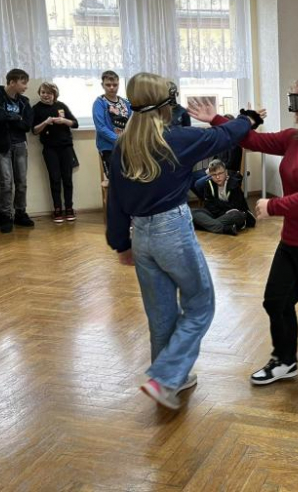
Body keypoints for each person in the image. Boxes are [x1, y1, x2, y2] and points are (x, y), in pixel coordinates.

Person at [202, 73, 298, 402]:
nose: (292, 110)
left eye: (297, 102)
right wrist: (216, 119)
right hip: (294, 242)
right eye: (291, 101)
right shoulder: (295, 138)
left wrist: (274, 205)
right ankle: (285, 360)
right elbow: (253, 141)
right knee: (276, 301)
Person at [106, 73, 257, 410]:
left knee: (161, 312)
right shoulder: (174, 139)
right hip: (171, 231)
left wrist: (121, 243)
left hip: (141, 236)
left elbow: (115, 200)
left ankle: (173, 379)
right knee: (201, 303)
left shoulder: (123, 146)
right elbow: (223, 136)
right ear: (166, 103)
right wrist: (248, 119)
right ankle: (166, 377)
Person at [0, 68, 34, 233]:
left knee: (22, 182)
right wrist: (17, 117)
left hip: (20, 144)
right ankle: (6, 215)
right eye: (23, 83)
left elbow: (27, 125)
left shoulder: (24, 101)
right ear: (12, 82)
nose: (26, 86)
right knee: (6, 182)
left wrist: (10, 118)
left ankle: (20, 212)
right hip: (1, 145)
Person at [32, 82, 79, 223]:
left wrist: (63, 120)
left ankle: (69, 208)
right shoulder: (36, 109)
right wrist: (46, 123)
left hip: (66, 147)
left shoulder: (61, 106)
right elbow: (34, 131)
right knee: (55, 179)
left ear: (54, 94)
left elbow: (75, 124)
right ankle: (57, 209)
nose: (45, 95)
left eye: (49, 93)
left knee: (67, 179)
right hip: (50, 149)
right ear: (39, 93)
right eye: (43, 92)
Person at [191, 159, 255, 235]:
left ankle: (207, 224)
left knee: (236, 215)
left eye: (220, 173)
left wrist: (217, 204)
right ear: (210, 175)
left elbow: (236, 206)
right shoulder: (208, 184)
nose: (217, 177)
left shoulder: (234, 184)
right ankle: (225, 228)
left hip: (233, 214)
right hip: (216, 214)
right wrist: (219, 208)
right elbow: (208, 205)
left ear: (225, 172)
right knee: (192, 213)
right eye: (214, 175)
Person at [93, 70, 131, 179]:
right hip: (109, 148)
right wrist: (119, 139)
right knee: (114, 179)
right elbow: (101, 128)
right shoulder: (99, 102)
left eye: (115, 85)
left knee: (128, 177)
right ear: (102, 85)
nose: (112, 87)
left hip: (126, 146)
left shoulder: (126, 102)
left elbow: (132, 122)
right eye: (108, 85)